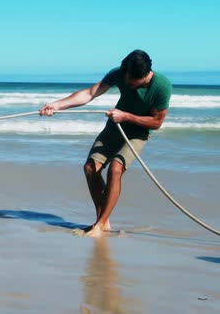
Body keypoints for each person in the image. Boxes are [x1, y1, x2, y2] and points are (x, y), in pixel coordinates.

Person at [39, 49, 172, 237]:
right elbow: (90, 93)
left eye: (131, 80)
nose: (126, 82)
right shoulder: (120, 73)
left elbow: (156, 122)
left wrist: (125, 116)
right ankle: (103, 221)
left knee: (115, 168)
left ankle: (99, 225)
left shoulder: (162, 86)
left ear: (144, 76)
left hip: (138, 132)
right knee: (90, 168)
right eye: (124, 76)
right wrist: (57, 105)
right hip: (115, 127)